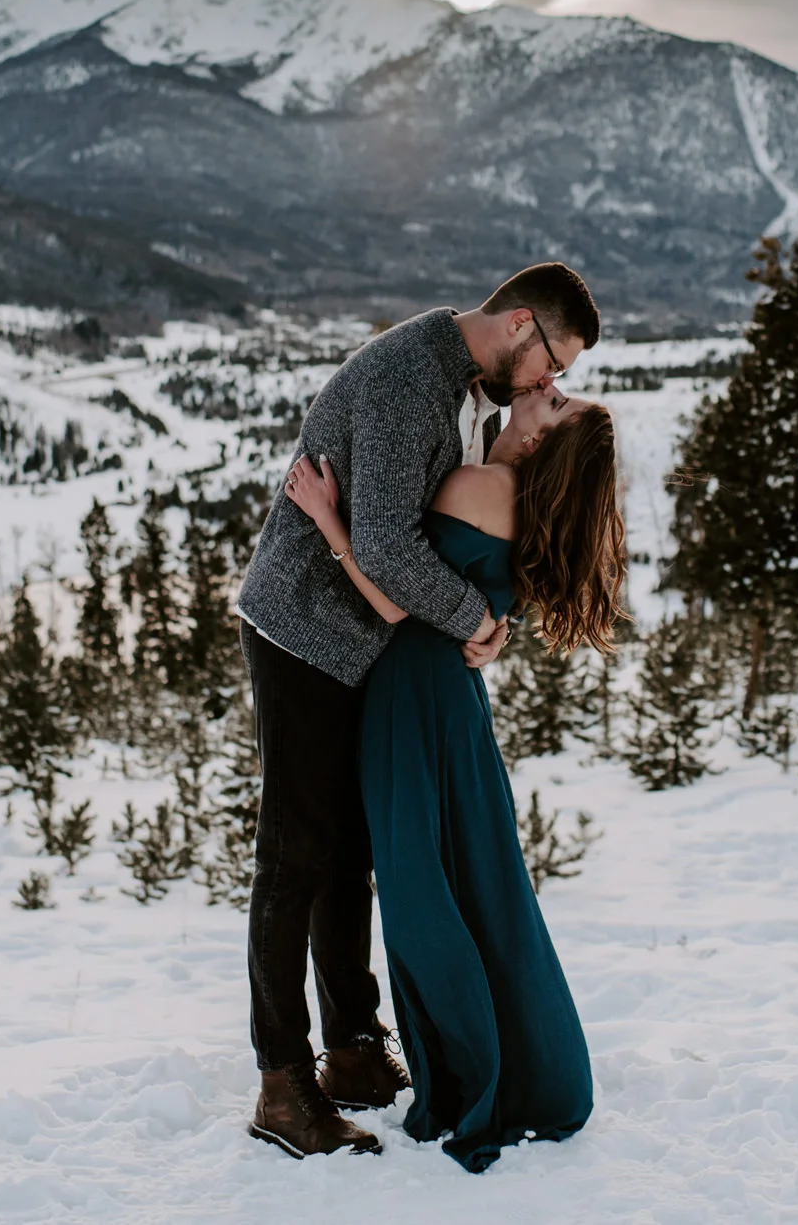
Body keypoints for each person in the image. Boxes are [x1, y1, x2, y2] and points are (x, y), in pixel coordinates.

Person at [232, 263, 600, 1159]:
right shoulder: (411, 380)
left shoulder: (470, 387)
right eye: (556, 361)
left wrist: (487, 613)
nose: (555, 382)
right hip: (308, 629)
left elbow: (444, 531)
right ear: (521, 325)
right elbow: (395, 553)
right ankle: (285, 1082)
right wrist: (477, 616)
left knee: (350, 850)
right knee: (298, 851)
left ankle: (353, 1048)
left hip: (366, 645)